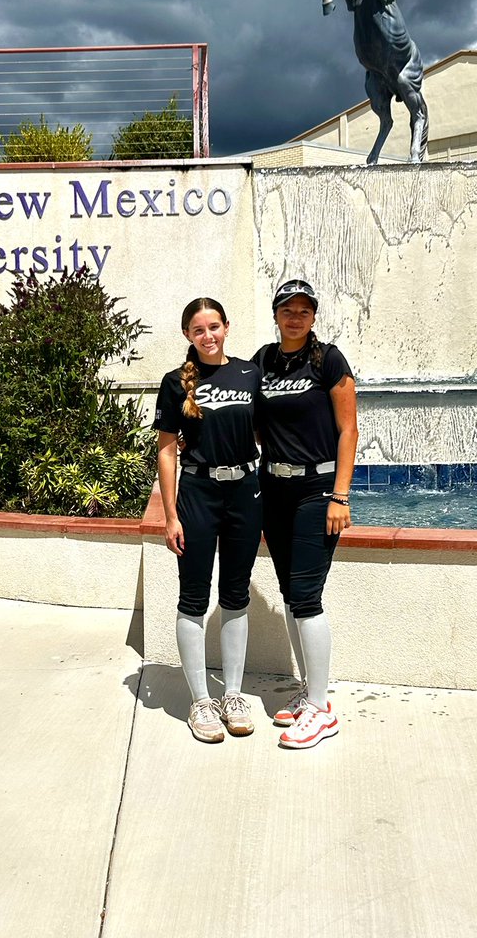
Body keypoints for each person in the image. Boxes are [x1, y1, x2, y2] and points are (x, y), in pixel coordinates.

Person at [253, 278, 358, 750]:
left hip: (317, 490)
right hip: (273, 488)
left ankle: (321, 709)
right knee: (291, 595)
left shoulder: (329, 360)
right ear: (276, 314)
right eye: (287, 310)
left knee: (307, 595)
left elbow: (349, 428)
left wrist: (340, 495)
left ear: (313, 316)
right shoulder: (263, 361)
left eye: (304, 311)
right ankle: (310, 694)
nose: (295, 317)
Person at [154, 297, 262, 743]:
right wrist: (170, 515)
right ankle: (201, 700)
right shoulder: (175, 383)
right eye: (199, 330)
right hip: (198, 493)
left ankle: (232, 695)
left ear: (227, 327)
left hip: (244, 493)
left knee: (236, 594)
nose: (208, 335)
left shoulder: (250, 374)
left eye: (214, 326)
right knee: (194, 596)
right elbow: (165, 449)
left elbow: (263, 433)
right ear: (188, 335)